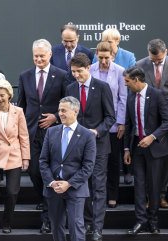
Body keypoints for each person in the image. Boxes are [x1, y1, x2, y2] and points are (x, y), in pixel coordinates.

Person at [17, 38, 69, 233]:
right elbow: (21, 105)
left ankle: (48, 216)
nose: (38, 59)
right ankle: (43, 199)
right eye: (35, 56)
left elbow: (68, 102)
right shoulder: (25, 76)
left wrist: (56, 117)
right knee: (34, 171)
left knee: (51, 172)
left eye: (42, 56)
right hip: (31, 131)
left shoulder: (62, 75)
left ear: (50, 55)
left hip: (54, 132)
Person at [66, 53, 115, 241]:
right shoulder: (70, 88)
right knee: (81, 185)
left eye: (79, 71)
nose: (76, 75)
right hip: (77, 147)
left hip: (99, 145)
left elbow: (110, 117)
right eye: (73, 72)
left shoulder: (103, 87)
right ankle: (86, 222)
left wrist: (97, 131)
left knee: (98, 186)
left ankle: (97, 227)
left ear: (88, 68)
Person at [121, 66, 168, 235]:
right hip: (137, 149)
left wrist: (152, 136)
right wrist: (127, 149)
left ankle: (153, 221)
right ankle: (140, 221)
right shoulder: (130, 97)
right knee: (140, 186)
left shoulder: (157, 95)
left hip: (155, 149)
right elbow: (128, 124)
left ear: (136, 80)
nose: (125, 84)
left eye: (127, 81)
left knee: (154, 186)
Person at [39, 96, 96, 241]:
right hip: (54, 188)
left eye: (63, 110)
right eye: (59, 110)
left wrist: (69, 183)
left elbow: (88, 166)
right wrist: (52, 182)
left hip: (75, 189)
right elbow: (43, 161)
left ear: (75, 111)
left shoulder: (87, 135)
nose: (60, 114)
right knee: (56, 226)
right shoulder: (51, 132)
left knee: (76, 226)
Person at [135, 39, 168, 208]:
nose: (155, 62)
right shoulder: (140, 65)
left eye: (159, 60)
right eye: (152, 60)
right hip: (147, 119)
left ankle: (161, 195)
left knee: (164, 160)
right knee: (149, 162)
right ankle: (150, 197)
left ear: (166, 52)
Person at [0, 80, 29, 240]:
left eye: (2, 95)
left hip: (14, 155)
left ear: (9, 95)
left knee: (12, 192)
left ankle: (7, 222)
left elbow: (23, 136)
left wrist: (26, 158)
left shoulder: (18, 112)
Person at [90, 42, 127, 208]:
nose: (104, 61)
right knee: (92, 162)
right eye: (100, 57)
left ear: (112, 55)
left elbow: (123, 98)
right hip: (93, 123)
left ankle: (112, 195)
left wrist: (121, 122)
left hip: (113, 124)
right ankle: (95, 195)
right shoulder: (90, 70)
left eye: (107, 57)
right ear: (96, 55)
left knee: (113, 162)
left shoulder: (119, 71)